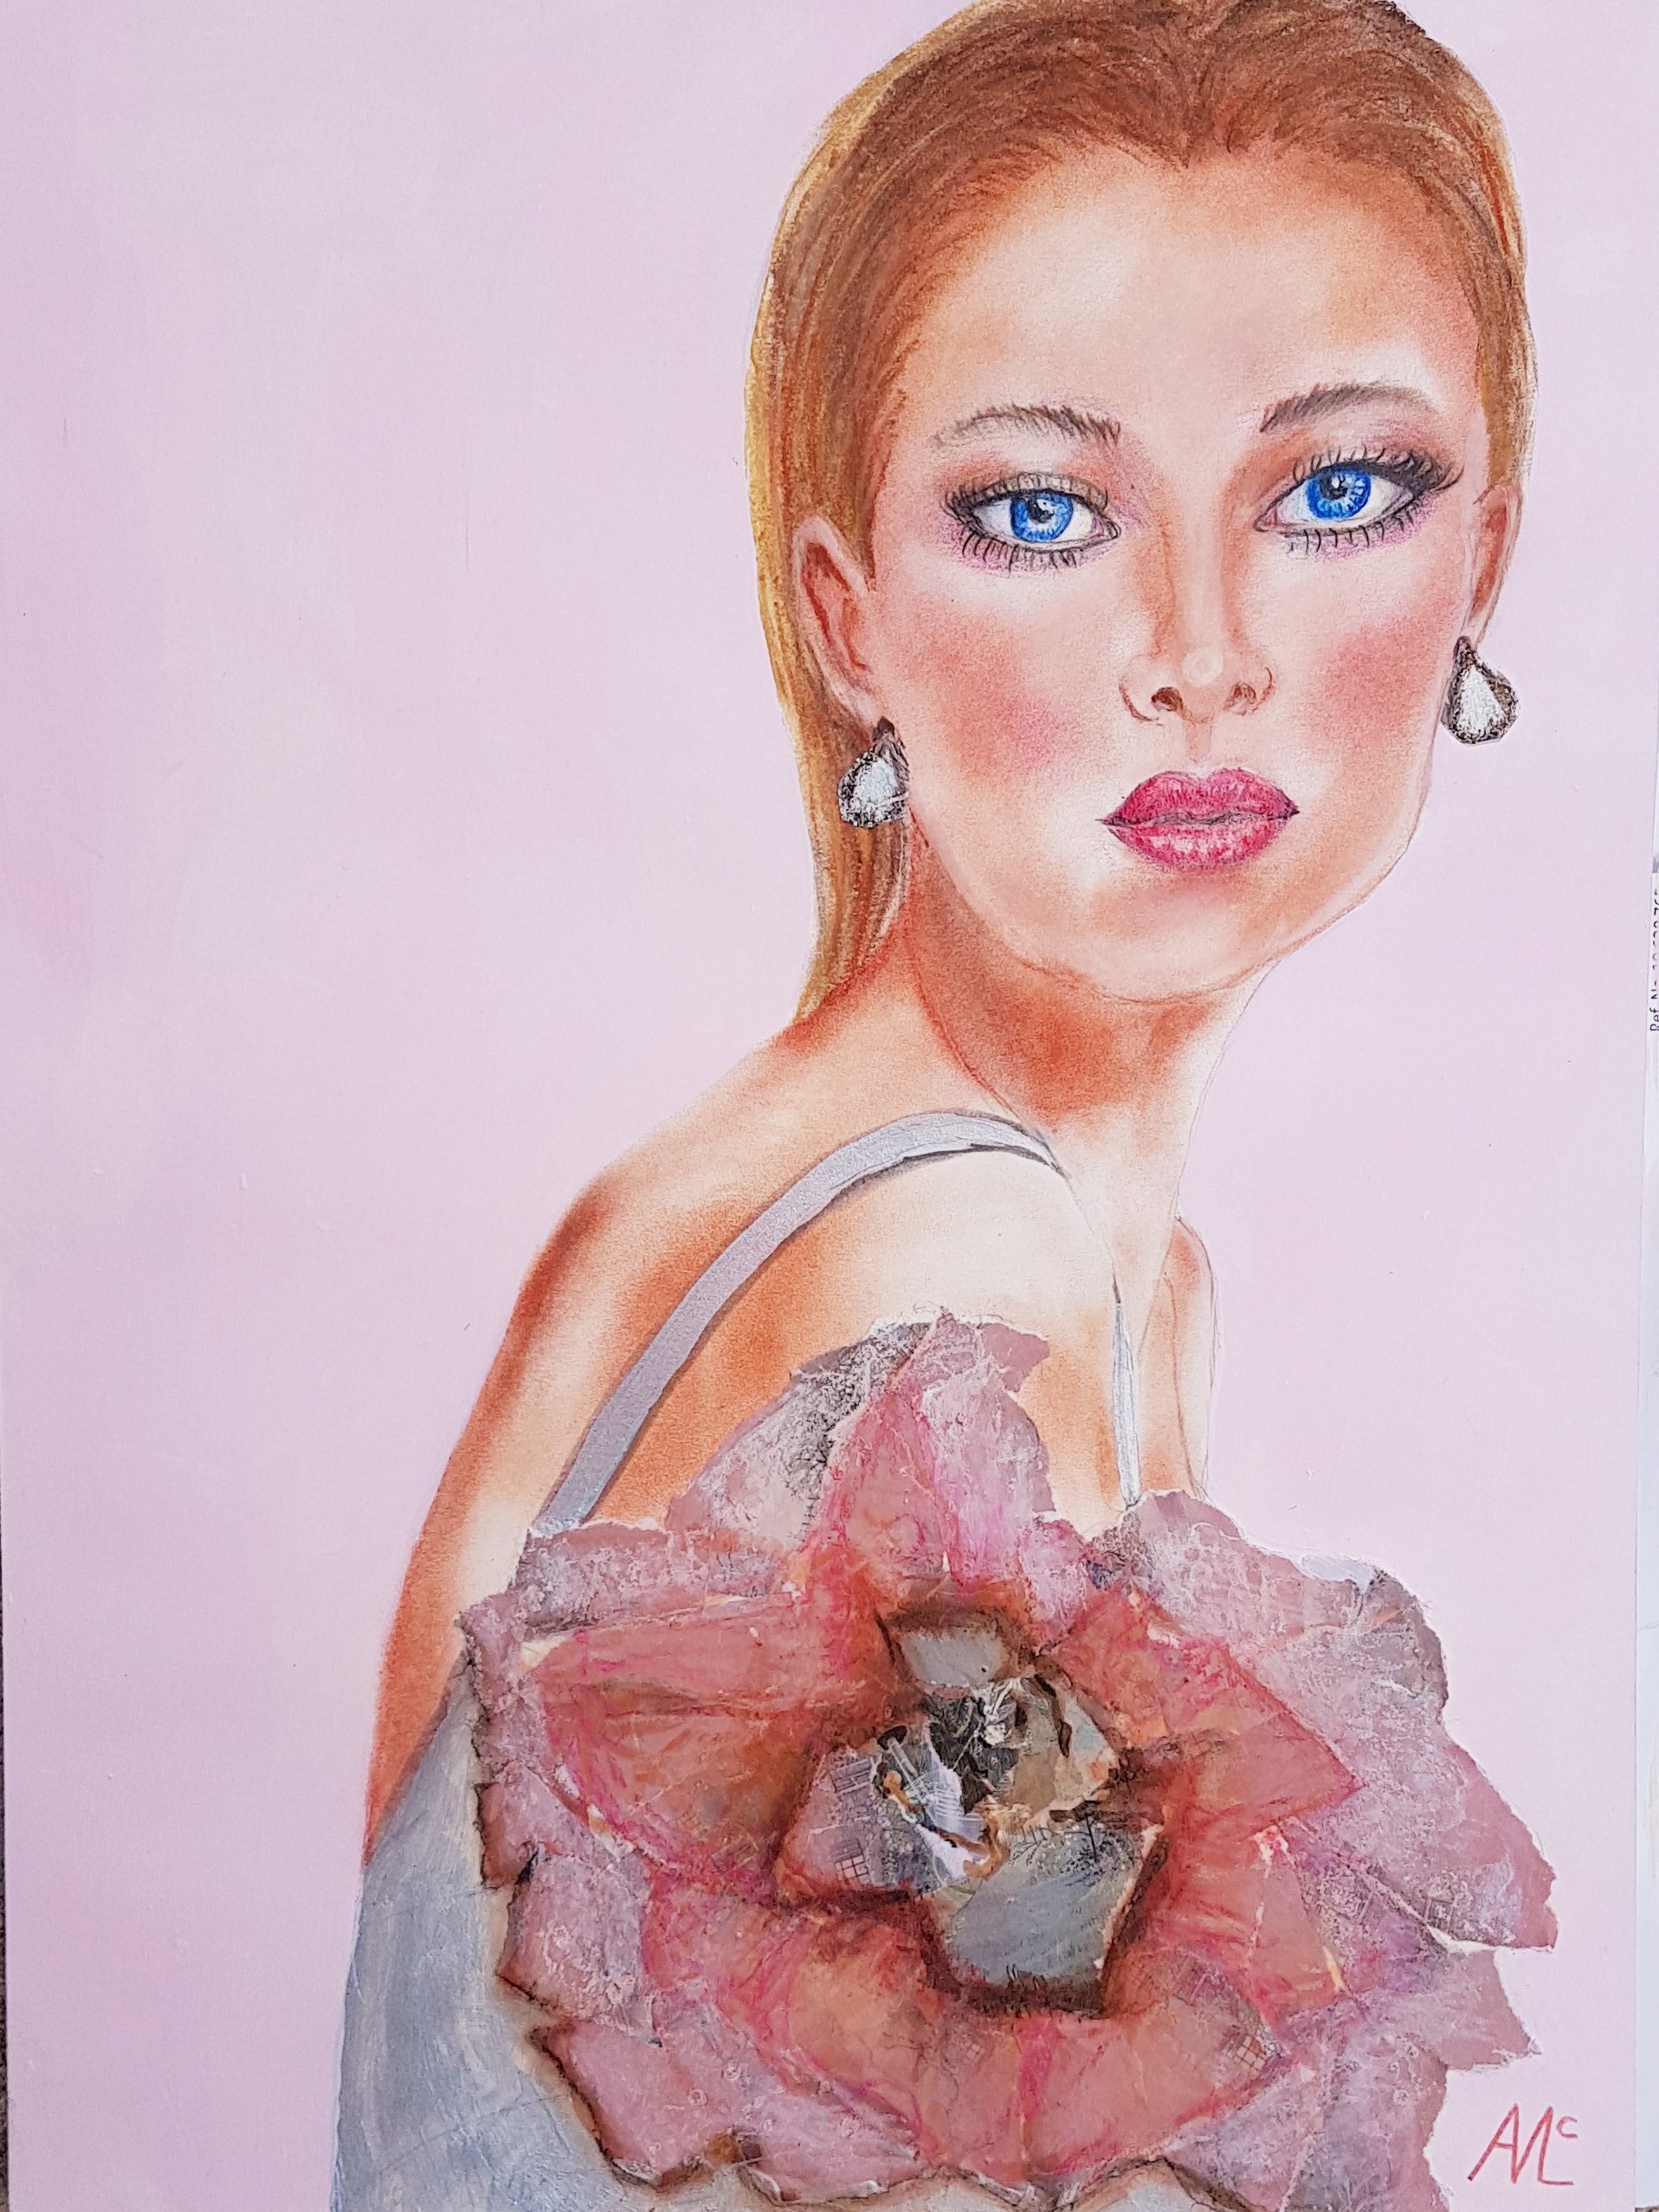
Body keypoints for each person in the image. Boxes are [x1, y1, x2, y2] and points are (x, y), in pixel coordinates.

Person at [335, 3, 1545, 2206]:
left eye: (1336, 490)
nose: (1201, 650)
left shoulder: (1095, 1263)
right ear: (846, 620)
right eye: (1040, 511)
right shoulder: (940, 1255)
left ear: (1488, 551)